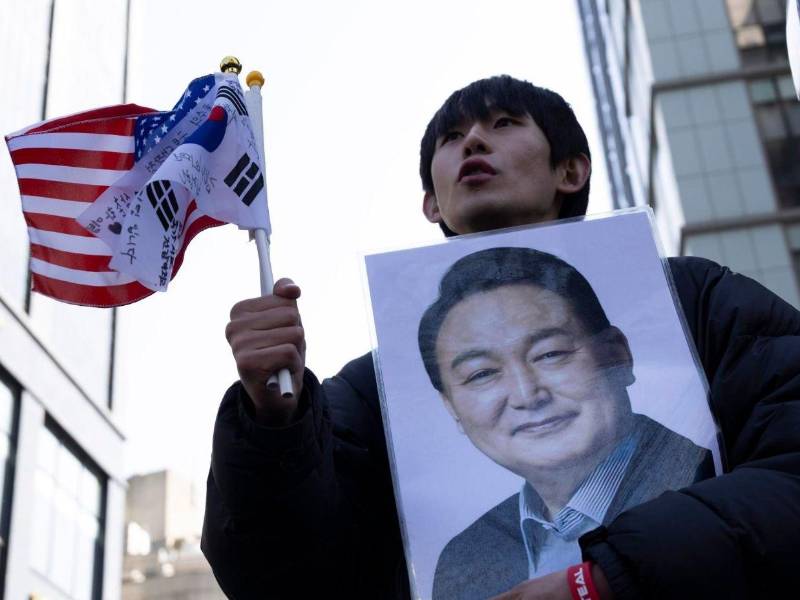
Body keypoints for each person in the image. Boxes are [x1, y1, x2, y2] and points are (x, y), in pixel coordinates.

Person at [202, 75, 800, 599]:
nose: (474, 143)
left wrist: (611, 578)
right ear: (432, 204)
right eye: (481, 374)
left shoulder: (693, 301)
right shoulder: (378, 401)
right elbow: (282, 578)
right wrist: (272, 428)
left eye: (504, 123)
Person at [418, 247, 713, 599]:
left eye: (550, 354)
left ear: (617, 353)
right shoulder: (462, 559)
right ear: (451, 408)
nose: (526, 395)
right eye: (481, 374)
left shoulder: (714, 480)